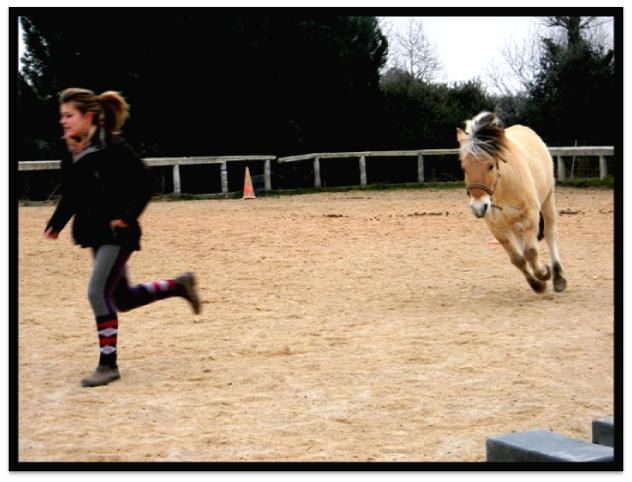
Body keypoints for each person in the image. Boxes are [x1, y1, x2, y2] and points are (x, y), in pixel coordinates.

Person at [45, 87, 201, 387]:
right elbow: (73, 193)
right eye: (62, 116)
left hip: (118, 233)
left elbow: (146, 184)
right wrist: (57, 223)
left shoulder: (114, 148)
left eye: (69, 115)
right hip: (94, 232)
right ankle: (178, 285)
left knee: (96, 292)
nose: (63, 121)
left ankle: (108, 366)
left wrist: (127, 216)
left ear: (88, 116)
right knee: (123, 299)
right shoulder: (71, 150)